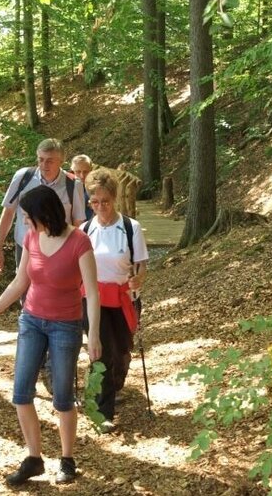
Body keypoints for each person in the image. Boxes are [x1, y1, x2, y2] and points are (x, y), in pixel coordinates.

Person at [0, 185, 102, 486]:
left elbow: (93, 293)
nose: (23, 222)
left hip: (66, 325)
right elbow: (20, 281)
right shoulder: (32, 237)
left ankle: (67, 459)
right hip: (32, 321)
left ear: (42, 214)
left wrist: (94, 335)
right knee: (21, 393)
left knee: (62, 397)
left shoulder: (79, 241)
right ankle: (34, 459)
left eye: (26, 216)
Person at [80, 169, 148, 433]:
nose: (100, 207)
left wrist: (138, 279)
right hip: (94, 300)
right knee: (102, 352)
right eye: (94, 202)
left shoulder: (131, 228)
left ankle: (114, 383)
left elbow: (141, 266)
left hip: (123, 299)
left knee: (121, 352)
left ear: (115, 199)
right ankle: (102, 410)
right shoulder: (85, 230)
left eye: (105, 202)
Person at [0, 138, 87, 275]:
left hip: (58, 249)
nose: (43, 165)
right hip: (25, 248)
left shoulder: (73, 184)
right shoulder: (23, 177)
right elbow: (8, 212)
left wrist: (72, 253)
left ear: (61, 162)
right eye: (40, 159)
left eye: (49, 161)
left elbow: (78, 222)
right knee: (24, 289)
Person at [70, 154, 94, 221]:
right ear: (72, 171)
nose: (82, 176)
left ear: (91, 171)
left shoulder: (96, 188)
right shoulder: (67, 187)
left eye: (85, 172)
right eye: (78, 172)